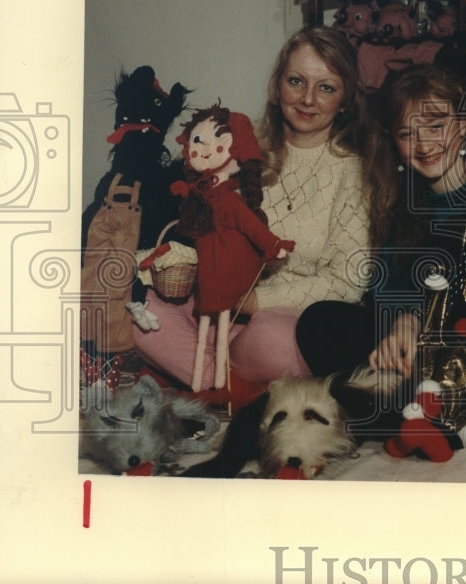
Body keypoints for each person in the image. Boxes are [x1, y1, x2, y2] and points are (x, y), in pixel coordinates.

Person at [295, 65, 466, 452]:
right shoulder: (395, 201)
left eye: (436, 126)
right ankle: (463, 425)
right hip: (424, 354)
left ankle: (420, 416)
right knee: (319, 322)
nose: (424, 144)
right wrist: (402, 320)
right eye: (407, 133)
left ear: (462, 124)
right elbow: (384, 283)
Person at [133, 27, 370, 401]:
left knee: (275, 342)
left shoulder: (352, 171)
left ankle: (201, 374)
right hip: (215, 301)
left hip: (281, 318)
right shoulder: (238, 143)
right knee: (136, 308)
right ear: (278, 86)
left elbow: (348, 279)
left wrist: (255, 302)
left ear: (344, 100)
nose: (308, 99)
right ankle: (230, 383)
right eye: (296, 81)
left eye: (326, 87)